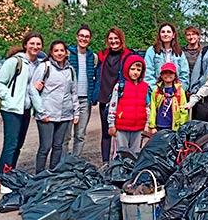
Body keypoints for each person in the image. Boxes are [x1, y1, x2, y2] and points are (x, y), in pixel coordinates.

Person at [0, 32, 43, 193]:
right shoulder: (15, 62)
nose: (35, 47)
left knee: (18, 145)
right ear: (26, 44)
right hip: (12, 110)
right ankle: (3, 179)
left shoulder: (38, 64)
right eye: (32, 43)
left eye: (38, 44)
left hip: (26, 110)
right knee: (11, 145)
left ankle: (10, 175)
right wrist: (10, 98)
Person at [31, 41, 79, 173]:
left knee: (58, 146)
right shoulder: (44, 67)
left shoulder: (70, 70)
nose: (59, 53)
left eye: (62, 50)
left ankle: (53, 173)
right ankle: (40, 175)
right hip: (47, 113)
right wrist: (41, 112)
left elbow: (73, 92)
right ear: (51, 53)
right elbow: (33, 90)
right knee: (45, 146)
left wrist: (76, 112)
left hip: (65, 114)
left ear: (65, 52)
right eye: (56, 51)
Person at [95, 27, 133, 164]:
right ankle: (105, 163)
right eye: (110, 38)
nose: (113, 41)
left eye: (116, 38)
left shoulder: (128, 55)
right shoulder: (102, 55)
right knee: (106, 132)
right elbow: (97, 75)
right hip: (105, 98)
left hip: (121, 99)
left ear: (121, 39)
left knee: (121, 134)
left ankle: (121, 163)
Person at [62, 24, 97, 158]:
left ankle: (75, 160)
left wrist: (93, 96)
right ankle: (64, 161)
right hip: (69, 99)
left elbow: (95, 76)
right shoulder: (68, 54)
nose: (84, 38)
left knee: (80, 134)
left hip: (85, 100)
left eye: (87, 36)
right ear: (77, 37)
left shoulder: (92, 56)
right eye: (81, 36)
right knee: (65, 135)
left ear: (90, 39)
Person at [107, 54, 150, 154]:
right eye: (133, 69)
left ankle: (132, 170)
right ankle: (119, 169)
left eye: (138, 70)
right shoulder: (120, 86)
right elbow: (113, 106)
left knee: (135, 154)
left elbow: (147, 107)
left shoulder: (145, 87)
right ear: (127, 69)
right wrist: (111, 124)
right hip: (122, 126)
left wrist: (147, 124)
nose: (135, 72)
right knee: (121, 153)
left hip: (138, 127)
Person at [144, 22, 190, 90]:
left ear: (173, 35)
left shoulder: (179, 52)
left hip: (176, 92)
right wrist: (156, 91)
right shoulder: (152, 51)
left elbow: (184, 74)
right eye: (163, 32)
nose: (165, 34)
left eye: (168, 32)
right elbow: (147, 73)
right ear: (159, 35)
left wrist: (179, 90)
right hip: (156, 91)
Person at [148, 62, 188, 132]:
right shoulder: (156, 91)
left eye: (171, 73)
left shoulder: (180, 91)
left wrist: (181, 126)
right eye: (165, 72)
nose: (168, 75)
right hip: (159, 126)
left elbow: (184, 110)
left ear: (175, 75)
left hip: (174, 127)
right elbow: (153, 110)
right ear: (161, 75)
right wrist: (152, 126)